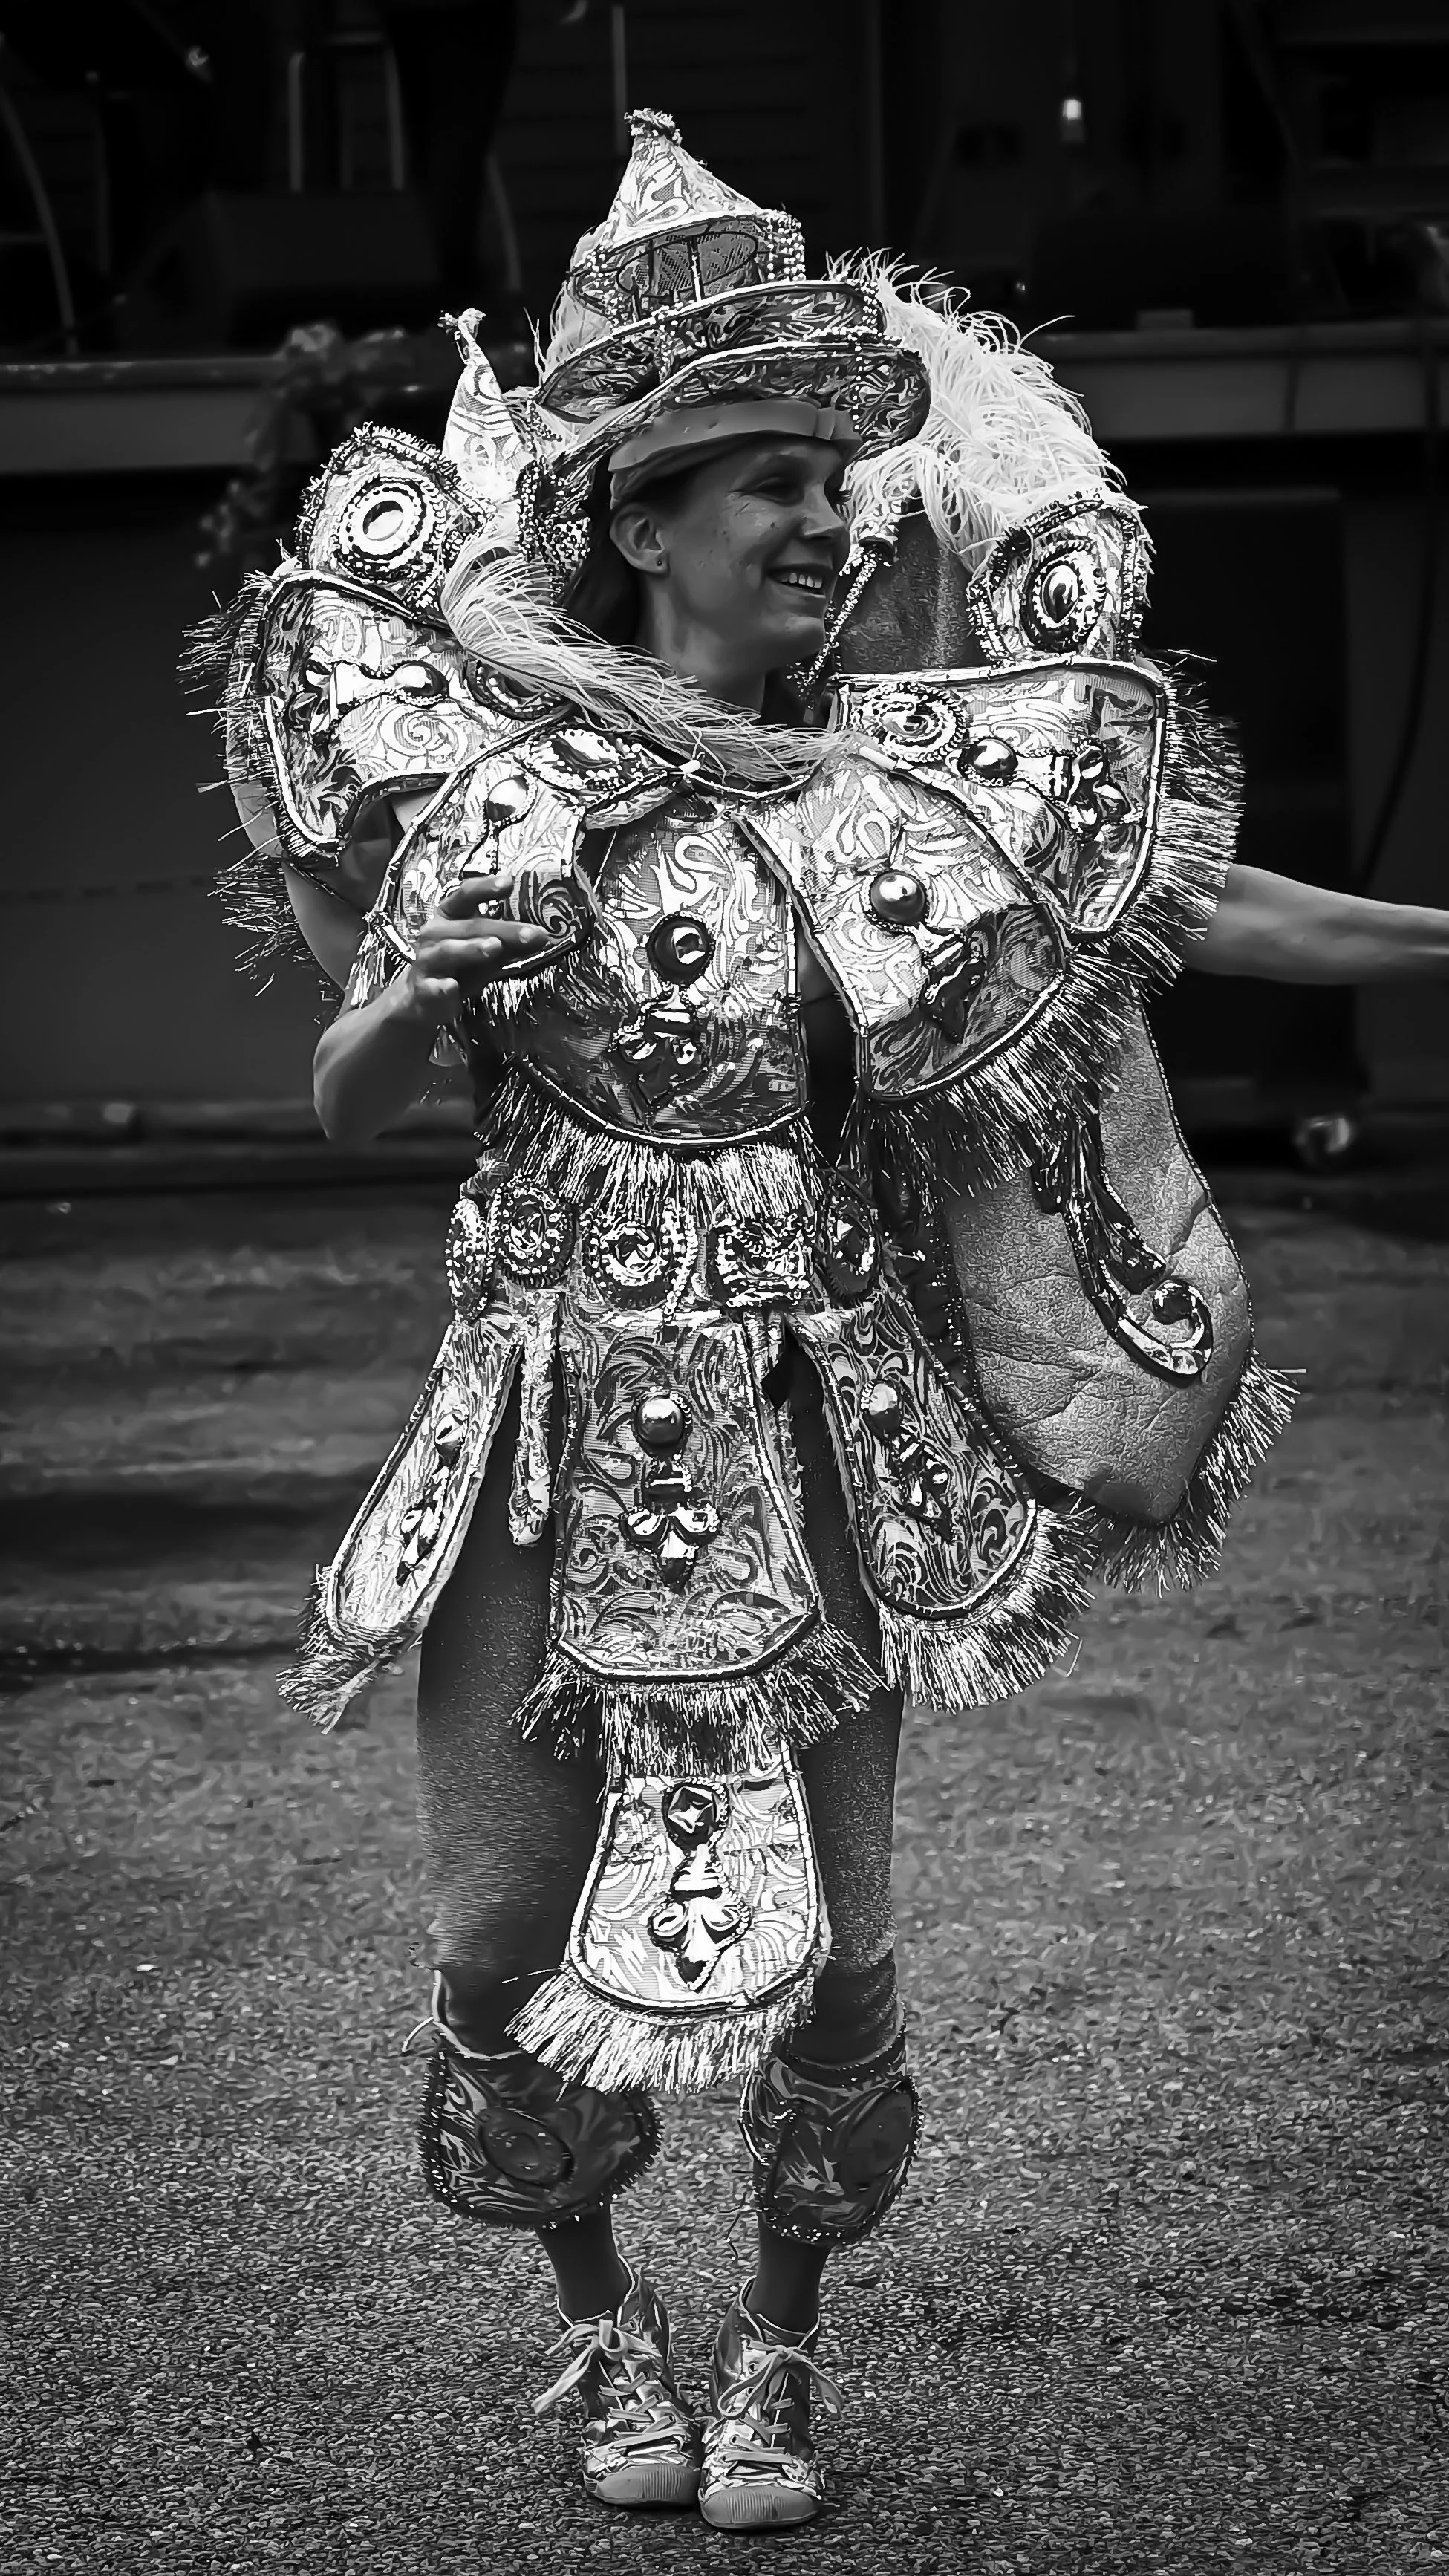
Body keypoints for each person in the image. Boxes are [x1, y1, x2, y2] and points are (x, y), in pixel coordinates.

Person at [205, 111, 1449, 2534]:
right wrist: (412, 989)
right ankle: (601, 2326)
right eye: (768, 482)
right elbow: (352, 1085)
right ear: (642, 525)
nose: (824, 523)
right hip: (543, 1425)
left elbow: (1214, 905)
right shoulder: (506, 787)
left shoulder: (893, 786)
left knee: (841, 1953)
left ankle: (775, 2349)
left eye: (834, 482)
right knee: (493, 1926)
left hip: (806, 1424)